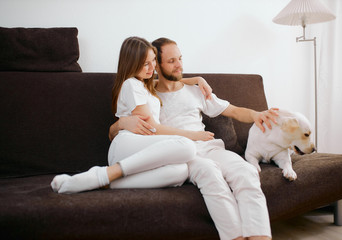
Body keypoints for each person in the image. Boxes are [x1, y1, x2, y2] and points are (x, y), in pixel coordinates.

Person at [109, 38, 277, 240]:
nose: (179, 65)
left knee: (246, 172)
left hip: (210, 147)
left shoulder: (196, 90)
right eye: (171, 61)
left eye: (180, 58)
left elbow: (232, 110)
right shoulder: (146, 93)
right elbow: (125, 125)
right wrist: (120, 125)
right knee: (210, 173)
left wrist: (256, 115)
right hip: (183, 154)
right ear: (158, 66)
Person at [50, 36, 214, 194]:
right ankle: (106, 173)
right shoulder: (131, 84)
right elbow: (152, 128)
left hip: (142, 148)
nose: (152, 68)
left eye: (153, 62)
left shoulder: (144, 85)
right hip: (128, 144)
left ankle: (101, 181)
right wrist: (195, 135)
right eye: (145, 64)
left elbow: (169, 81)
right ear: (132, 64)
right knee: (187, 146)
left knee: (179, 172)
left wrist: (197, 79)